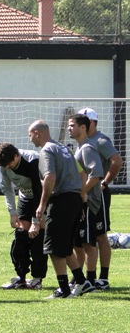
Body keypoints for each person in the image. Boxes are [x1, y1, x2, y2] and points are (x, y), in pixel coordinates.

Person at [28, 120, 91, 299]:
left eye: (30, 134)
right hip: (74, 199)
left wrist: (42, 204)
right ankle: (81, 281)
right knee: (65, 247)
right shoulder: (63, 149)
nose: (30, 138)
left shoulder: (46, 150)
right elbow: (82, 174)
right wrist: (81, 199)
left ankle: (63, 290)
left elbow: (50, 176)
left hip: (61, 200)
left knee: (53, 248)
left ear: (37, 133)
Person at [78, 107, 123, 290]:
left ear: (92, 123)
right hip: (87, 193)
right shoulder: (85, 141)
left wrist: (104, 182)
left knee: (101, 234)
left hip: (98, 193)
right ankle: (88, 277)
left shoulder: (101, 140)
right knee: (87, 236)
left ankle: (103, 277)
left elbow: (117, 161)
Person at [0, 143, 47, 289]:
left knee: (36, 236)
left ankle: (37, 278)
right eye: (4, 166)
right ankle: (21, 277)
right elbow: (7, 188)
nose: (7, 168)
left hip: (42, 198)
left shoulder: (33, 160)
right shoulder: (4, 165)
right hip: (24, 198)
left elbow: (38, 189)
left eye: (10, 164)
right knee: (21, 237)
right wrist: (12, 213)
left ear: (17, 155)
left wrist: (36, 221)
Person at [68, 114, 104, 291]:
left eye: (72, 125)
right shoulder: (79, 147)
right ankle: (79, 278)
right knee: (78, 243)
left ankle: (90, 280)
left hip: (88, 202)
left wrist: (82, 193)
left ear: (83, 127)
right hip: (81, 202)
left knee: (89, 243)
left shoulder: (88, 148)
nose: (69, 128)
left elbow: (95, 175)